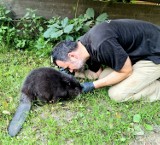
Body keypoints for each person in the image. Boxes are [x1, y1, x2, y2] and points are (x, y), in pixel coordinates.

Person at [51, 19, 160, 102]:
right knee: (104, 76)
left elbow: (126, 71)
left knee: (117, 94)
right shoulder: (84, 47)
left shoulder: (102, 44)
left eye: (68, 67)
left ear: (72, 56)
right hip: (140, 55)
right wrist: (70, 76)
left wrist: (93, 85)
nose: (70, 70)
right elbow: (96, 75)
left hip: (155, 55)